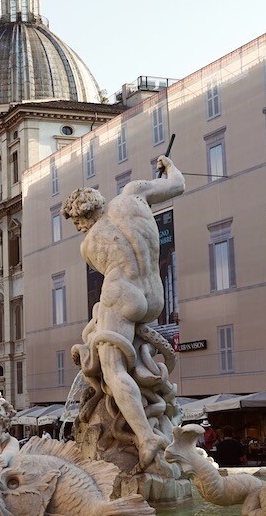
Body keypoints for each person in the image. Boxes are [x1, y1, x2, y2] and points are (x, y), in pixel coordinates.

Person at [63, 155, 184, 473]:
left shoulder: (88, 243)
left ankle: (146, 438)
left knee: (113, 370)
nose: (80, 229)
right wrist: (167, 165)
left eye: (77, 224)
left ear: (81, 218)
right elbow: (177, 184)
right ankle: (152, 419)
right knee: (105, 327)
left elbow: (108, 270)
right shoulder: (133, 194)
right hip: (154, 294)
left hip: (122, 293)